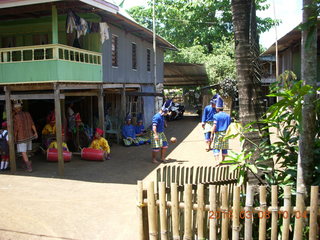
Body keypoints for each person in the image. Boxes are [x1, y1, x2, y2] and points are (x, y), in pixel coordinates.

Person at [13, 101, 38, 172]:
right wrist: (35, 132)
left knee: (23, 152)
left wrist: (15, 138)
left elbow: (16, 129)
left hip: (21, 137)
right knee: (25, 151)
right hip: (29, 136)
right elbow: (32, 124)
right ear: (21, 108)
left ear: (16, 109)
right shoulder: (27, 114)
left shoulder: (16, 117)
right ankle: (24, 164)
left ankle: (29, 166)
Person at [210, 96, 231, 162]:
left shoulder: (216, 116)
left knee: (216, 147)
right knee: (224, 148)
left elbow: (214, 126)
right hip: (226, 133)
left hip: (218, 134)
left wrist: (211, 134)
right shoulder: (228, 116)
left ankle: (217, 161)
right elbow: (230, 126)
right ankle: (223, 160)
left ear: (217, 108)